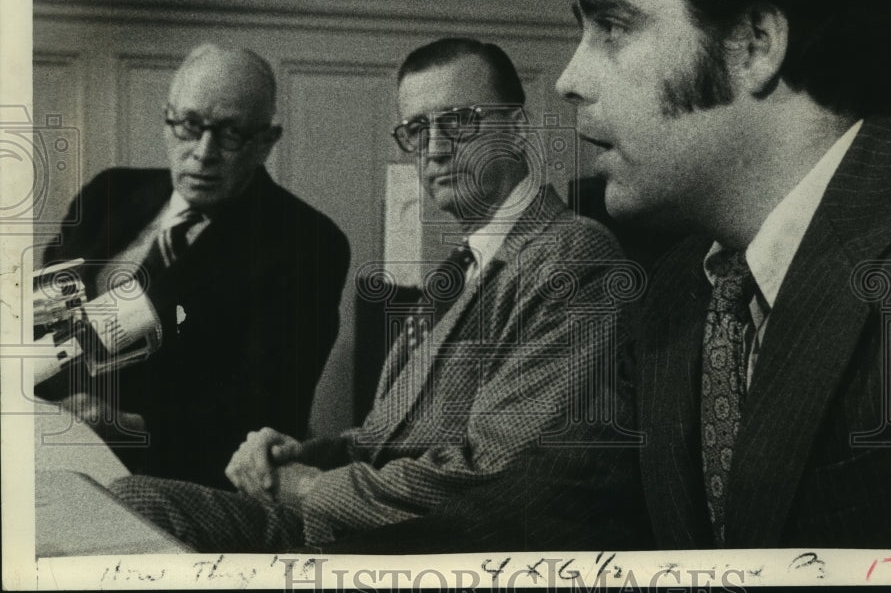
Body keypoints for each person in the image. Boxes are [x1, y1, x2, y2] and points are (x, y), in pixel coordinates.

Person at [332, 0, 891, 552]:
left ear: (753, 44)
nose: (572, 79)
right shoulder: (680, 287)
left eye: (613, 27)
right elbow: (527, 507)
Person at [109, 37, 639, 551]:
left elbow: (501, 478)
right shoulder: (462, 267)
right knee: (128, 502)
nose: (434, 149)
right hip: (367, 527)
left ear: (517, 129)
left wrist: (307, 486)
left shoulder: (570, 255)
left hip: (431, 552)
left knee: (136, 514)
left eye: (457, 121)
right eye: (416, 129)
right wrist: (305, 454)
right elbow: (390, 438)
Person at [38, 43, 351, 489]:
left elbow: (268, 405)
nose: (204, 153)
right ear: (167, 121)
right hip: (47, 439)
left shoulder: (306, 242)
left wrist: (129, 424)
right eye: (189, 125)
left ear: (266, 142)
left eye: (230, 133)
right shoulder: (108, 193)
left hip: (177, 478)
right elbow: (37, 321)